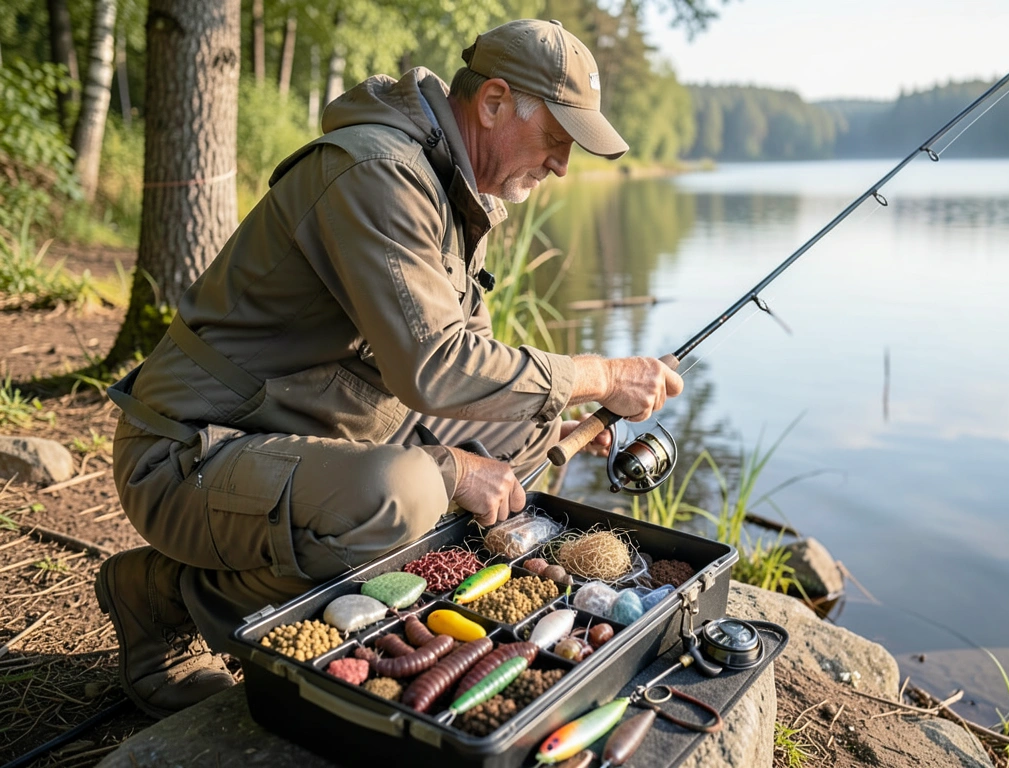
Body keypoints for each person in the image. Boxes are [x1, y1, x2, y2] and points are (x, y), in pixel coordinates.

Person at [97, 19, 683, 719]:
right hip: (186, 456)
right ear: (493, 103)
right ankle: (162, 597)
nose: (561, 165)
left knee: (522, 435)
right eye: (557, 140)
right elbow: (436, 367)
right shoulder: (379, 171)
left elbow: (472, 379)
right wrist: (596, 376)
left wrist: (554, 420)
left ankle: (365, 580)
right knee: (405, 497)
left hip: (300, 424)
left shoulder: (450, 189)